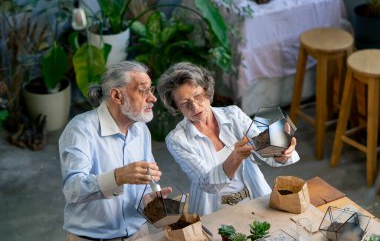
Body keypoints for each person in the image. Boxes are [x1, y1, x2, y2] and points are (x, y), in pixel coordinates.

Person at [157, 62, 300, 216]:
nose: (195, 107)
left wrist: (280, 152)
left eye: (198, 96)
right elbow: (207, 184)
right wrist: (236, 157)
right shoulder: (176, 140)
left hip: (255, 197)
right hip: (213, 211)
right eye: (185, 104)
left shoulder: (233, 114)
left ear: (207, 91)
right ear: (176, 107)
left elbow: (265, 152)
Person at [59, 61, 161, 241]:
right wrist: (117, 177)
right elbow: (72, 189)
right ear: (117, 95)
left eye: (151, 90)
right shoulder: (81, 129)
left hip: (139, 233)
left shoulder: (141, 129)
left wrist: (148, 199)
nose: (153, 98)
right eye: (143, 91)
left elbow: (145, 183)